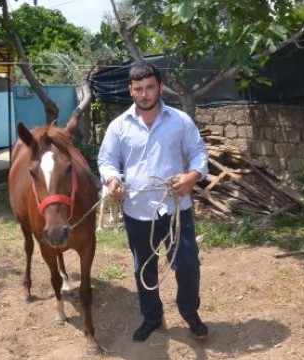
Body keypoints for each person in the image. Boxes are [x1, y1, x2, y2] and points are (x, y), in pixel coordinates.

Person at [97, 63, 209, 343]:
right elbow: (107, 160)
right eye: (138, 89)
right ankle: (152, 317)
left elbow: (198, 153)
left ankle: (189, 312)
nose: (144, 94)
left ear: (160, 87)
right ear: (130, 90)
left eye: (149, 87)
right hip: (137, 211)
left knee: (187, 265)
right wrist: (112, 180)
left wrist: (192, 176)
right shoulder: (119, 126)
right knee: (142, 267)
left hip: (175, 210)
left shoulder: (180, 120)